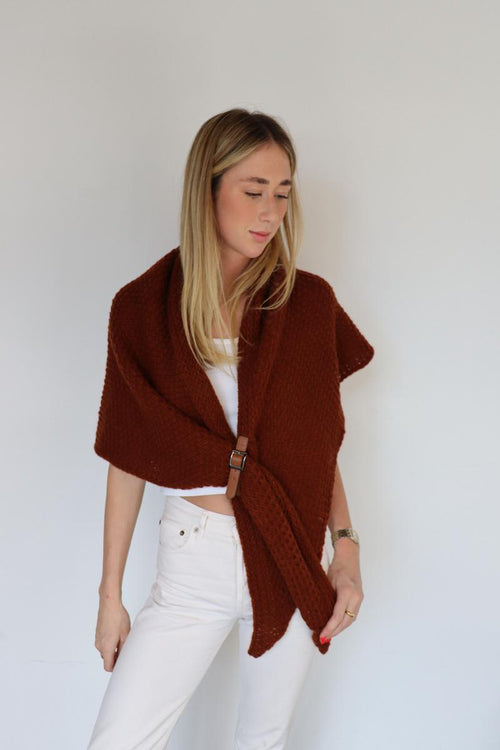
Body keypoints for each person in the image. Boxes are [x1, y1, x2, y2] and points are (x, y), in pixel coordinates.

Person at [87, 108, 373, 749]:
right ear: (207, 190)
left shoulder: (308, 304)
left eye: (283, 193)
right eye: (253, 191)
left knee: (262, 742)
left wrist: (346, 550)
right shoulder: (142, 309)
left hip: (291, 549)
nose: (270, 213)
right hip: (194, 559)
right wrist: (110, 596)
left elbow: (314, 445)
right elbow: (128, 458)